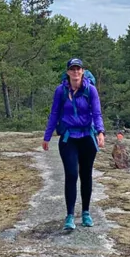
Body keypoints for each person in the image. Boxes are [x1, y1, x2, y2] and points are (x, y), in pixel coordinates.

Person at [42, 57, 105, 231]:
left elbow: (97, 113)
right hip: (69, 138)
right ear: (68, 72)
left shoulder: (90, 90)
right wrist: (47, 136)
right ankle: (69, 215)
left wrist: (100, 132)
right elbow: (54, 113)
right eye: (73, 69)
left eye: (79, 69)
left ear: (82, 72)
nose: (76, 72)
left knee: (86, 175)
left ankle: (85, 212)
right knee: (71, 174)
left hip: (87, 137)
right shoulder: (60, 91)